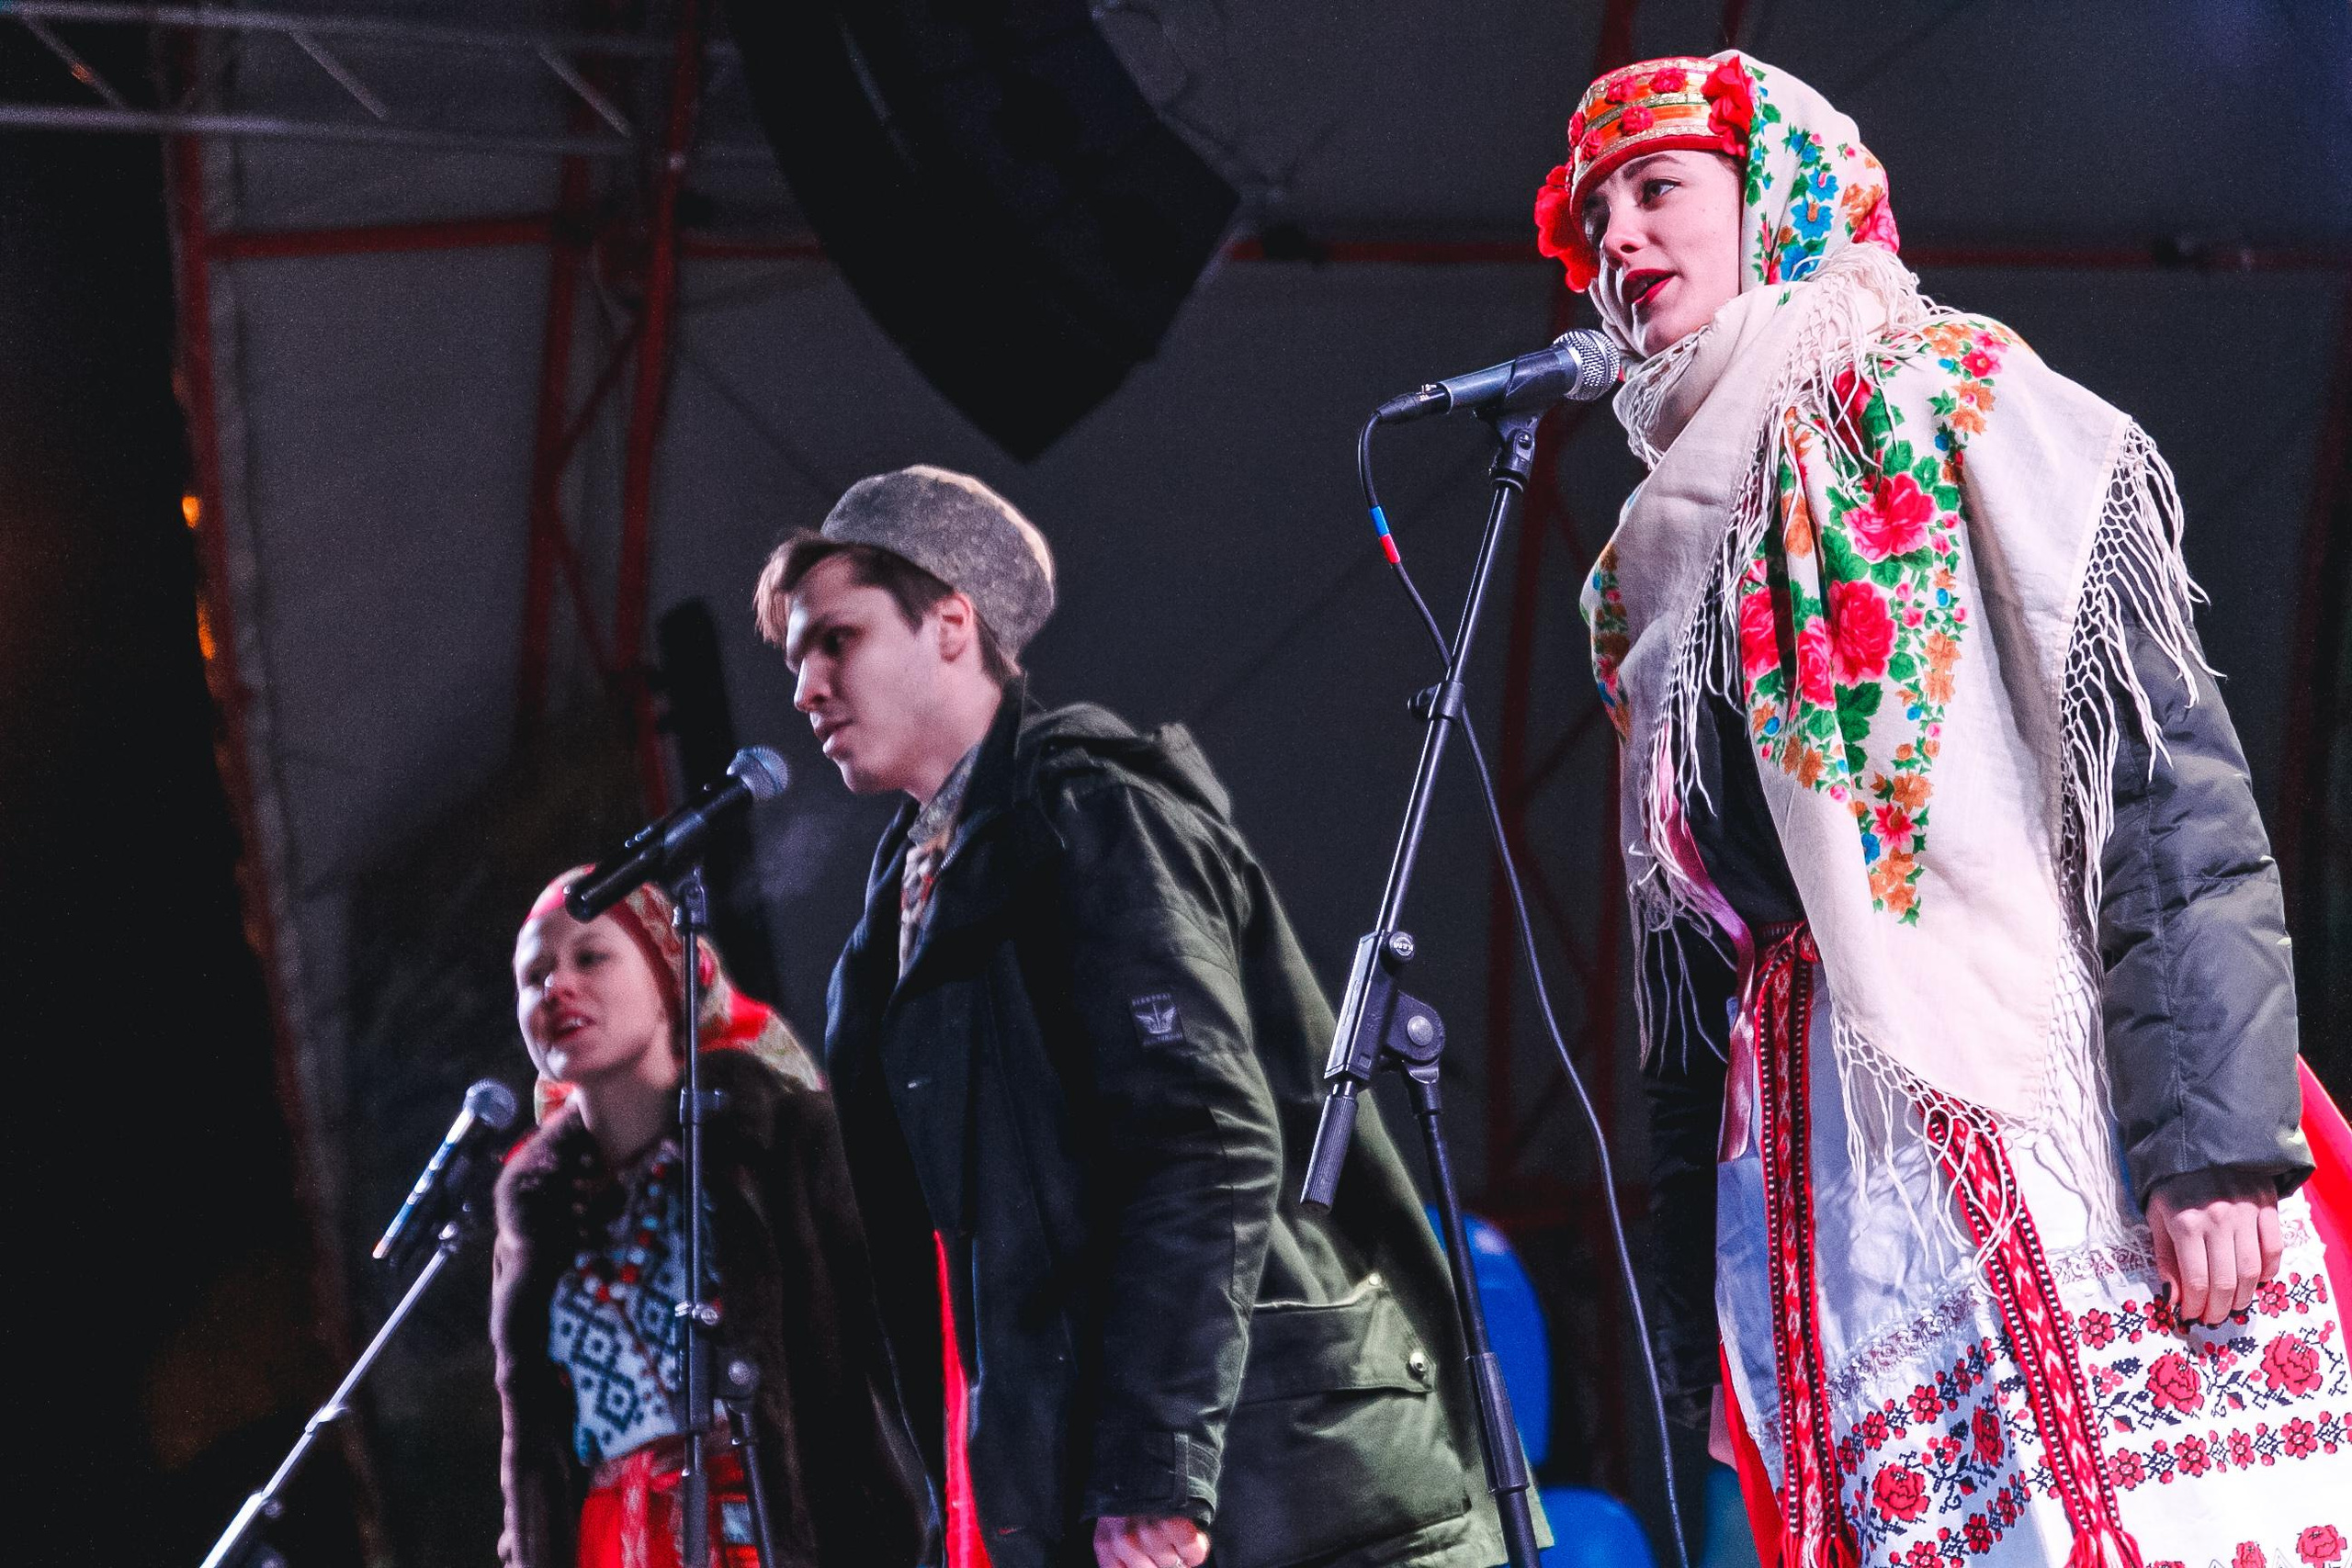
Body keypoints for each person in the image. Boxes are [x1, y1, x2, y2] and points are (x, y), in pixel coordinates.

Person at [1533, 51, 2352, 1567]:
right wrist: (1690, 1329)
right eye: (1596, 221)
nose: (1620, 244)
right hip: (1826, 1189)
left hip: (2054, 1118)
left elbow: (2154, 774)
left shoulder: (1945, 391)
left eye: (1659, 191)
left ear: (1776, 198)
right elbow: (1689, 1000)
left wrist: (2214, 1148)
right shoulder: (1648, 574)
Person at [753, 465, 1525, 1568]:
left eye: (836, 639)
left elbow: (1206, 1142)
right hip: (1088, 1478)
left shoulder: (1091, 809)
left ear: (951, 623)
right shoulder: (899, 911)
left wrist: (1158, 1471)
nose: (806, 688)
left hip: (1265, 1483)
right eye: (794, 659)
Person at [489, 870, 928, 1568]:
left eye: (590, 956)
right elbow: (534, 1451)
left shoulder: (783, 1139)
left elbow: (902, 1354)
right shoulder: (537, 1215)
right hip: (613, 1545)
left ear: (668, 974)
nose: (558, 987)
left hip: (772, 1528)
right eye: (534, 974)